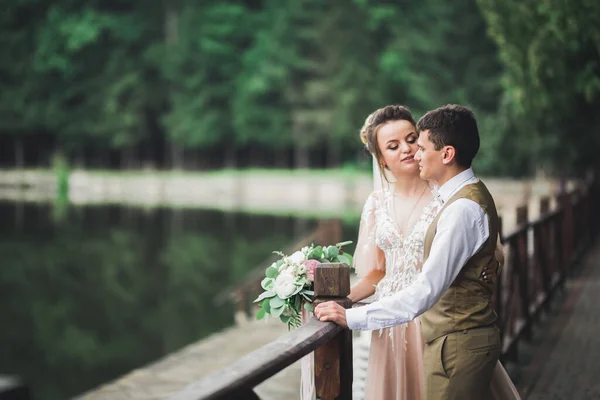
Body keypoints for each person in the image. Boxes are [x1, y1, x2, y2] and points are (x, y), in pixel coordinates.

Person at [315, 104, 520, 399]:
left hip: (438, 321)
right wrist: (342, 302)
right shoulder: (377, 203)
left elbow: (450, 278)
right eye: (393, 146)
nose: (409, 150)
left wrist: (352, 318)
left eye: (413, 140)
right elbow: (377, 273)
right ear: (381, 160)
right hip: (390, 321)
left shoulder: (450, 200)